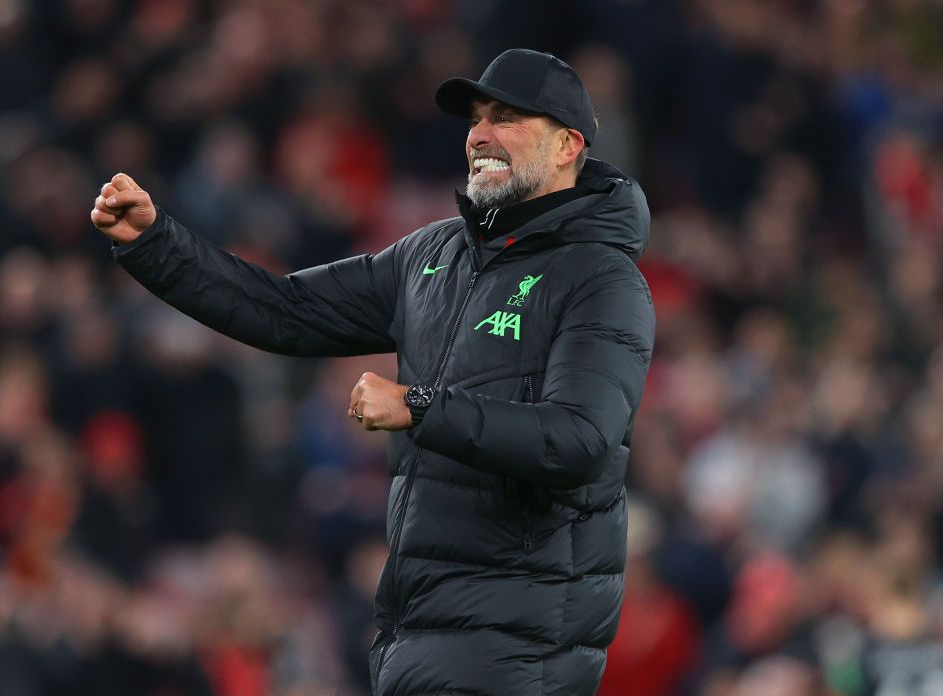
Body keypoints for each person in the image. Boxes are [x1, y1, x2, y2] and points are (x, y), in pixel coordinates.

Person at [91, 48, 654, 696]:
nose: (479, 135)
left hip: (520, 652)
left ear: (567, 145)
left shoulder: (603, 279)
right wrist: (156, 242)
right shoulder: (431, 256)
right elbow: (285, 310)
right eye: (476, 119)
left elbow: (579, 439)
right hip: (415, 636)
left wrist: (420, 406)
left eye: (506, 117)